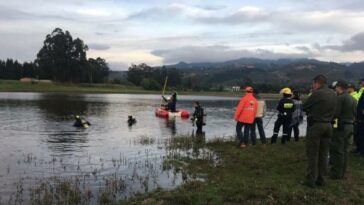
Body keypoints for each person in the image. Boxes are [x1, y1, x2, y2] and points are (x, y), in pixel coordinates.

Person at [302, 74, 337, 187]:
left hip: (317, 125)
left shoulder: (317, 93)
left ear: (317, 83)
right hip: (328, 126)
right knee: (323, 154)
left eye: (313, 83)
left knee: (312, 153)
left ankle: (310, 180)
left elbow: (304, 106)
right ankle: (321, 179)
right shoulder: (333, 93)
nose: (313, 86)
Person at [330, 80, 356, 179]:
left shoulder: (340, 98)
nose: (335, 89)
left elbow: (335, 114)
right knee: (345, 150)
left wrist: (332, 124)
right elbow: (355, 114)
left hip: (341, 126)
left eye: (336, 87)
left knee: (337, 150)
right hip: (350, 126)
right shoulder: (353, 99)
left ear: (339, 87)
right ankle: (343, 172)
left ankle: (336, 173)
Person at [357, 84, 364, 156]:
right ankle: (359, 149)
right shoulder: (362, 91)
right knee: (360, 135)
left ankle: (361, 151)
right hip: (360, 117)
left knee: (362, 135)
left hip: (362, 118)